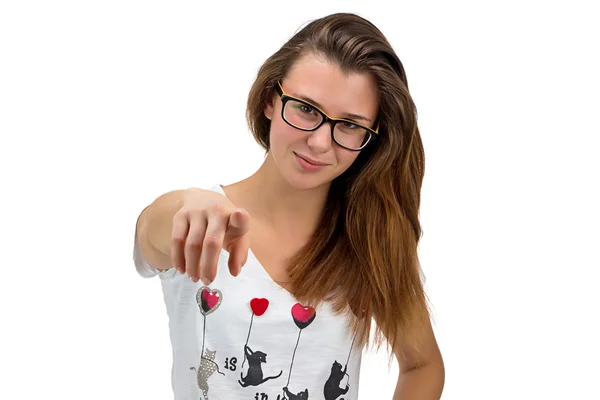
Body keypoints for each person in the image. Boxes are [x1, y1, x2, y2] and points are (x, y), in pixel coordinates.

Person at [134, 12, 444, 400]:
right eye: (306, 109)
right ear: (270, 99)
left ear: (371, 140)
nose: (319, 142)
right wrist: (187, 203)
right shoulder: (202, 222)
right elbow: (150, 232)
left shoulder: (370, 243)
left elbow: (423, 365)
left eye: (349, 125)